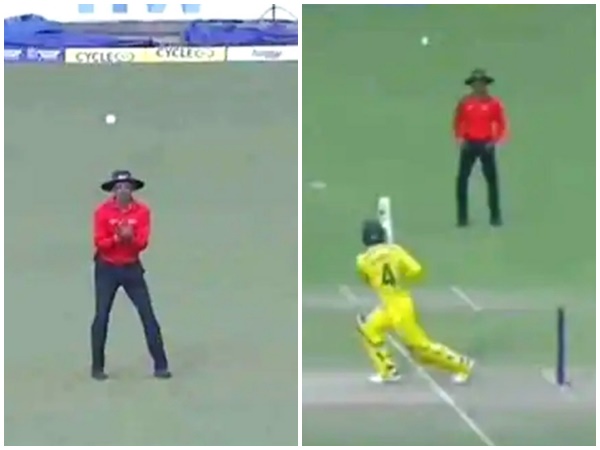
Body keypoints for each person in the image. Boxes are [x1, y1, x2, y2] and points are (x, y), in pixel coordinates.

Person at [355, 220, 474, 384]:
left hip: (396, 307)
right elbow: (416, 270)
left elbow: (366, 279)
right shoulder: (395, 250)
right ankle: (387, 371)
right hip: (399, 302)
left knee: (420, 346)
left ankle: (462, 364)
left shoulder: (362, 260)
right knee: (369, 329)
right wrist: (400, 275)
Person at [91, 170, 171, 380]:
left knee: (148, 316)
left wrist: (130, 239)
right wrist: (118, 238)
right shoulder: (102, 212)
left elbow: (142, 243)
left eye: (127, 187)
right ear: (113, 191)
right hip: (107, 269)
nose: (123, 191)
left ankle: (161, 366)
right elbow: (100, 242)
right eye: (119, 187)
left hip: (131, 268)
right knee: (101, 316)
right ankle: (97, 367)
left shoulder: (142, 212)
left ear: (132, 189)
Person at [453, 68, 508, 227]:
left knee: (492, 181)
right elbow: (457, 121)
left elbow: (501, 124)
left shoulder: (494, 104)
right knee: (462, 180)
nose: (478, 86)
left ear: (485, 85)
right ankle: (462, 218)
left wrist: (494, 141)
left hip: (486, 145)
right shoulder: (464, 103)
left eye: (481, 83)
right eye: (475, 83)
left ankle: (495, 216)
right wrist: (460, 138)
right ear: (472, 85)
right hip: (469, 144)